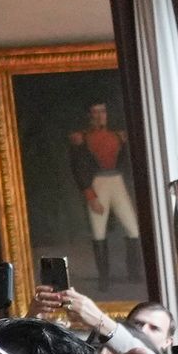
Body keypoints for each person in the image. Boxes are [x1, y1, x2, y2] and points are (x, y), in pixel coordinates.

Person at [68, 102, 141, 287]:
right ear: (90, 116)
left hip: (117, 182)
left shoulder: (118, 136)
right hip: (97, 184)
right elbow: (79, 168)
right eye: (95, 112)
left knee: (133, 228)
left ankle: (134, 274)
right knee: (98, 232)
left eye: (103, 112)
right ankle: (104, 279)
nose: (100, 116)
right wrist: (90, 195)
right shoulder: (82, 139)